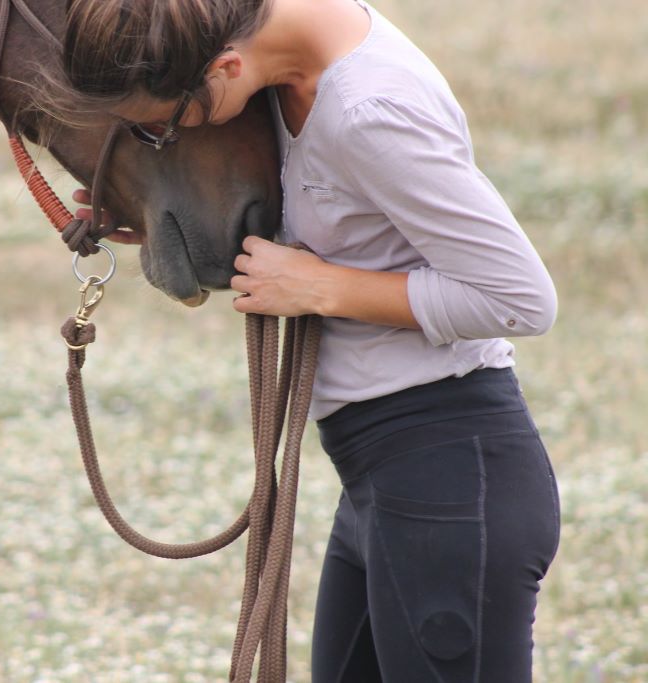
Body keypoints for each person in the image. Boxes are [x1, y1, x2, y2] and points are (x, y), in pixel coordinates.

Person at [58, 0, 561, 680]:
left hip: (446, 477)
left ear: (225, 68)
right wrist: (156, 207)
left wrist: (321, 287)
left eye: (160, 128)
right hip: (382, 475)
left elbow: (521, 297)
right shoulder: (284, 71)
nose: (164, 140)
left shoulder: (370, 111)